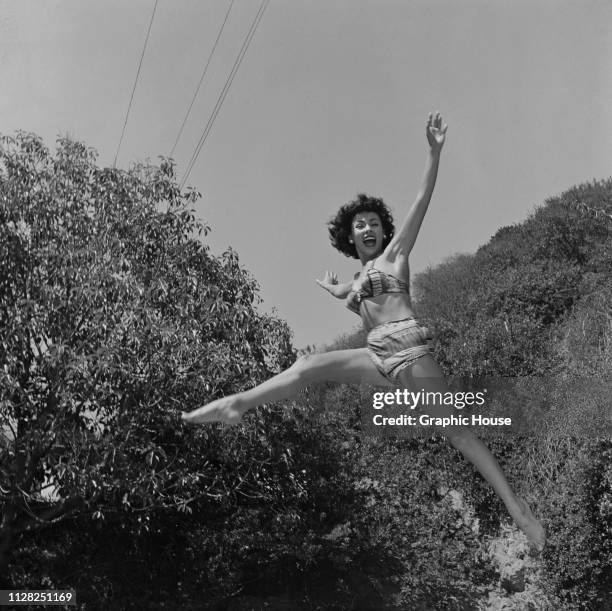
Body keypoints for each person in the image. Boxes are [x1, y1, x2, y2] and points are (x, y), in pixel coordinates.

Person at [182, 112, 545, 551]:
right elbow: (349, 292)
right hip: (376, 357)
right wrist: (333, 288)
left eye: (374, 222)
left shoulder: (395, 255)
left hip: (409, 351)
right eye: (360, 224)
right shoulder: (358, 279)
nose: (368, 227)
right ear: (349, 236)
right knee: (308, 364)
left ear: (382, 230)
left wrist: (434, 154)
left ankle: (517, 510)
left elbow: (421, 201)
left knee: (457, 432)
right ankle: (238, 404)